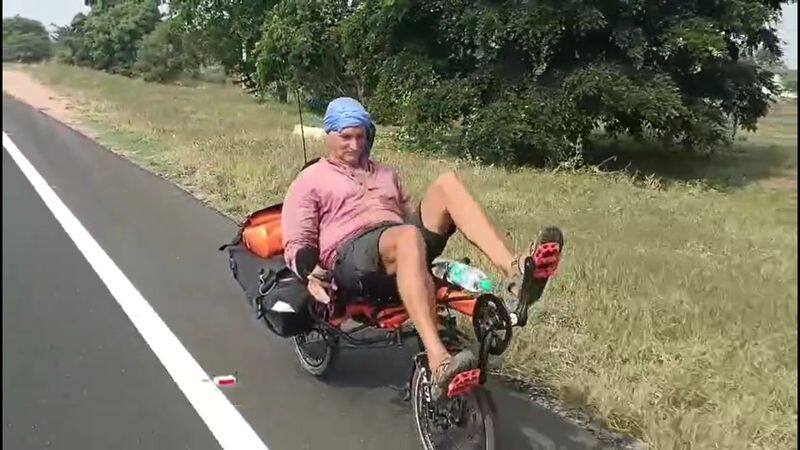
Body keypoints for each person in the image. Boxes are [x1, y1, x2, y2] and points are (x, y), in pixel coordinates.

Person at [282, 97, 563, 401]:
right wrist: (309, 271)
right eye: (345, 137)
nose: (354, 145)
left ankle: (518, 273)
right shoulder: (311, 179)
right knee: (406, 237)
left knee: (447, 185)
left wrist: (424, 234)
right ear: (328, 136)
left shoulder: (385, 175)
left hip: (397, 244)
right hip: (353, 257)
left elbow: (409, 217)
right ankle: (439, 361)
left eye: (360, 136)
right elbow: (296, 240)